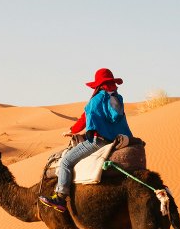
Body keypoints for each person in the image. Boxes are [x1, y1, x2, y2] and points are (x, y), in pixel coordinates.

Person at [42, 68, 133, 212]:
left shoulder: (96, 99)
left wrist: (72, 130)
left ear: (98, 84)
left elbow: (85, 118)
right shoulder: (117, 98)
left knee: (66, 161)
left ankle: (60, 198)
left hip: (99, 141)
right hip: (116, 140)